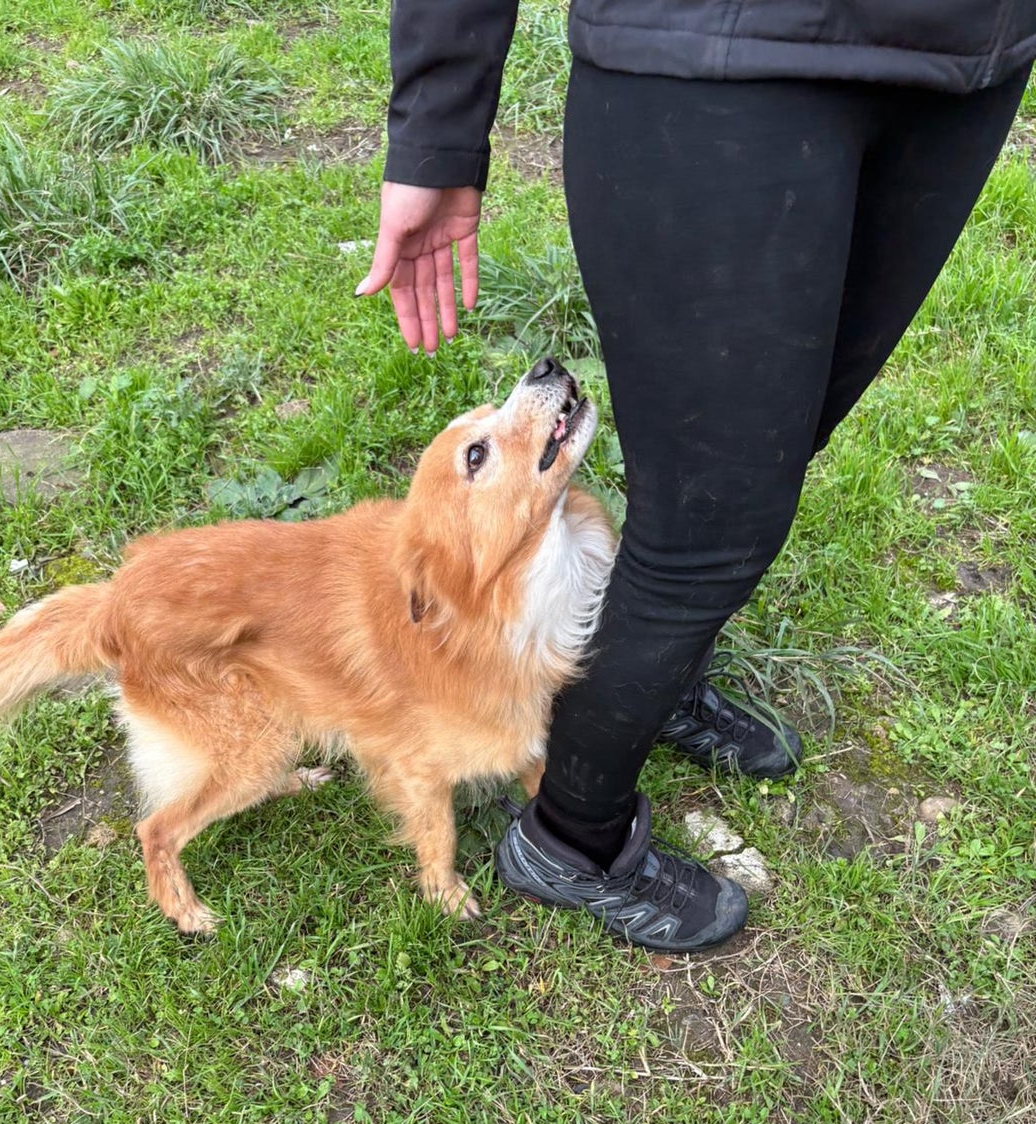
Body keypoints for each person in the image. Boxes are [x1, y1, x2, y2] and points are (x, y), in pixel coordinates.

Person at [355, 2, 1036, 954]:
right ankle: (569, 837)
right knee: (713, 528)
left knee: (766, 447)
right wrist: (437, 129)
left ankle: (658, 681)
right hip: (718, 58)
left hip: (963, 61)